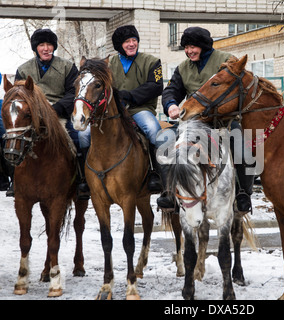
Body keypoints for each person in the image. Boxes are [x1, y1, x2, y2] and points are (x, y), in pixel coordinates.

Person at [158, 26, 255, 214]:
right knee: (164, 142)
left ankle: (243, 193)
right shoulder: (183, 68)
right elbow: (171, 90)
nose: (189, 51)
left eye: (193, 46)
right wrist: (171, 104)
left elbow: (241, 89)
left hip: (224, 122)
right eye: (186, 47)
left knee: (246, 151)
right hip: (191, 123)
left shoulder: (226, 61)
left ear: (203, 45)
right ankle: (170, 192)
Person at [78, 25, 164, 193]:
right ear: (119, 45)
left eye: (134, 40)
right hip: (111, 112)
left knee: (154, 130)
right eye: (127, 42)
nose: (132, 44)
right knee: (83, 135)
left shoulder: (153, 62)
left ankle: (157, 175)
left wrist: (129, 96)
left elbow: (156, 86)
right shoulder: (108, 65)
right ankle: (85, 178)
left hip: (140, 109)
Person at [14, 28, 89, 199]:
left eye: (49, 45)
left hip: (60, 114)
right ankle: (15, 181)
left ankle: (82, 180)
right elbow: (19, 95)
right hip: (31, 117)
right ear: (36, 48)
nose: (46, 48)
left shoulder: (67, 67)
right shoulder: (23, 69)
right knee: (15, 140)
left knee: (79, 138)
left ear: (54, 47)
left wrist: (55, 109)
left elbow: (73, 93)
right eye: (42, 45)